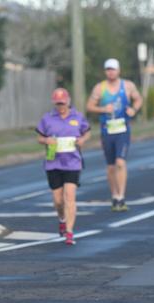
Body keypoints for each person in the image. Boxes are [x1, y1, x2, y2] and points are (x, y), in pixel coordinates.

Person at [86, 58, 143, 212]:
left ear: (119, 70)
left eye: (113, 69)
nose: (111, 72)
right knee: (111, 166)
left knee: (120, 162)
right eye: (108, 69)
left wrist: (133, 109)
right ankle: (114, 196)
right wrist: (103, 109)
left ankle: (121, 196)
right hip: (107, 131)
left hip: (123, 131)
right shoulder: (100, 88)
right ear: (105, 72)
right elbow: (89, 106)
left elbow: (138, 99)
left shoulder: (128, 86)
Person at [36, 88, 91, 245]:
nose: (61, 106)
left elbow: (87, 132)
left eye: (63, 103)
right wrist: (46, 141)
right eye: (58, 103)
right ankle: (62, 218)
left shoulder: (78, 116)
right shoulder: (47, 118)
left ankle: (69, 232)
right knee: (58, 200)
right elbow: (39, 137)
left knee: (69, 196)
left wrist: (83, 140)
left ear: (68, 101)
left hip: (73, 162)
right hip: (53, 162)